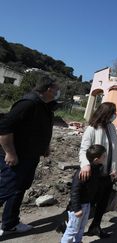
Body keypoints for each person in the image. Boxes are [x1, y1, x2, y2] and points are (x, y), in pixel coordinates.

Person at [0, 74, 60, 236]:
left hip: (31, 156)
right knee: (5, 190)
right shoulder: (29, 103)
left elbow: (42, 129)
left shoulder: (45, 106)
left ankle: (10, 224)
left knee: (19, 189)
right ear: (48, 89)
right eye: (56, 88)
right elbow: (4, 127)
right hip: (16, 156)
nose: (58, 91)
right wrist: (10, 153)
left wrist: (45, 146)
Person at [79, 102, 117, 238]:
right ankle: (69, 226)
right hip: (94, 174)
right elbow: (84, 149)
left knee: (102, 203)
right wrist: (85, 165)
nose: (115, 115)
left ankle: (95, 226)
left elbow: (115, 150)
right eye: (113, 112)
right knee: (86, 202)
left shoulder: (111, 127)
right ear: (105, 113)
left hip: (108, 173)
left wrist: (115, 169)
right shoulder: (92, 129)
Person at [61, 144, 106, 243]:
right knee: (72, 230)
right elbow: (74, 192)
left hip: (87, 205)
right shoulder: (82, 173)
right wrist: (77, 209)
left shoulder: (97, 169)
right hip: (77, 208)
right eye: (104, 156)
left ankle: (78, 241)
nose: (105, 158)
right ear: (96, 159)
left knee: (81, 228)